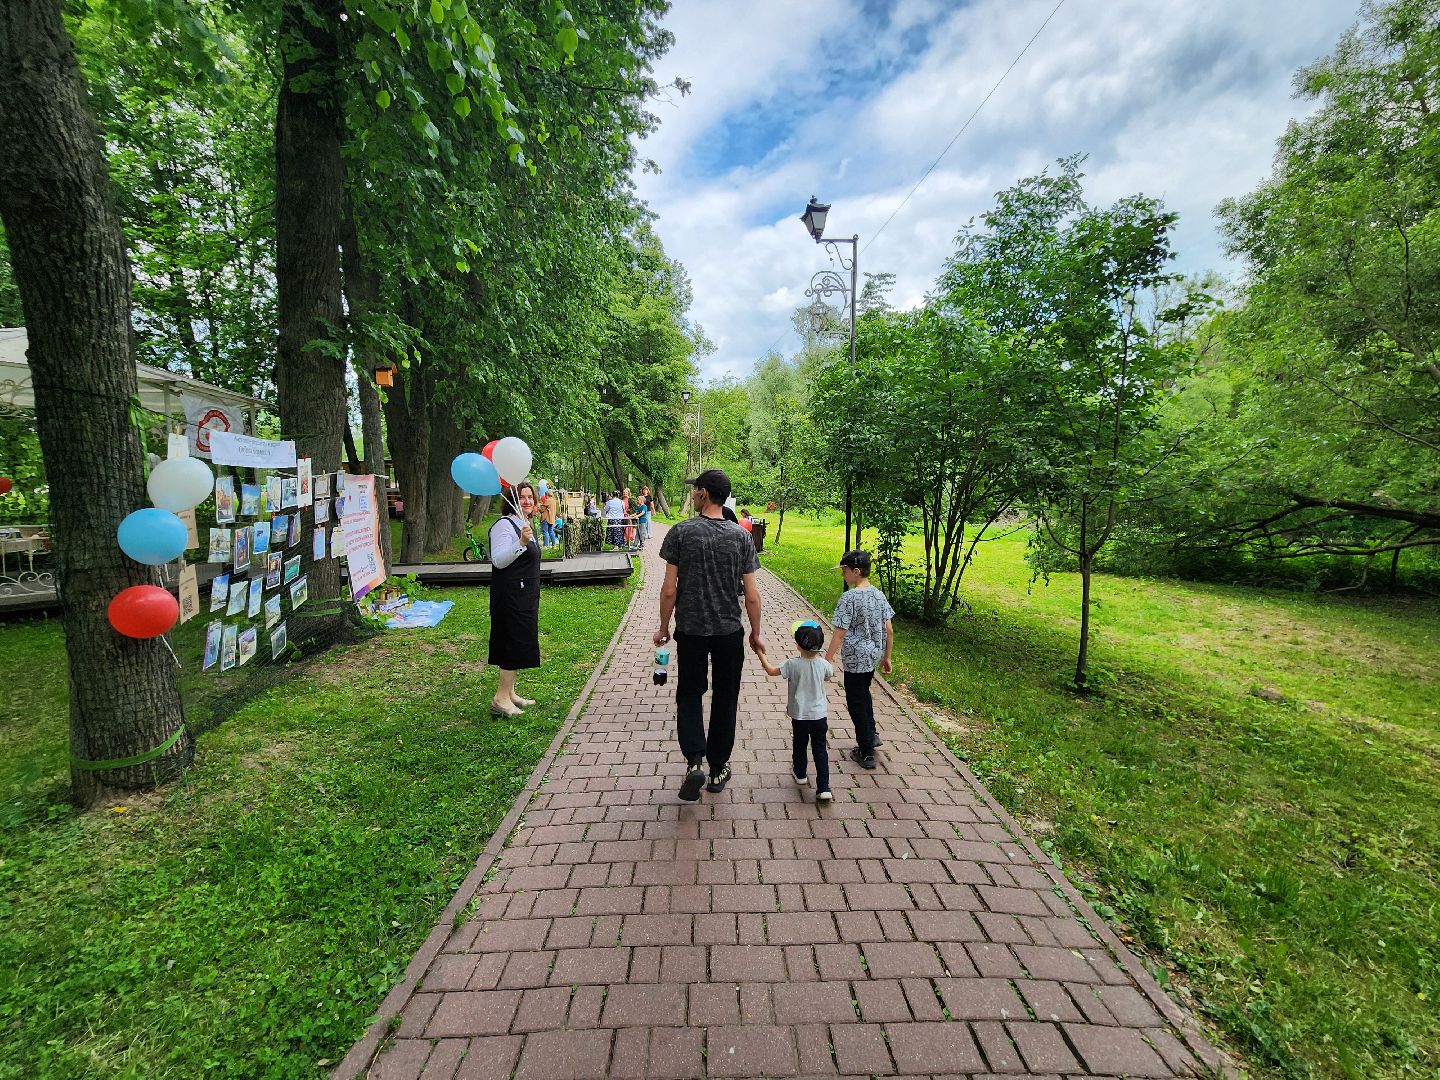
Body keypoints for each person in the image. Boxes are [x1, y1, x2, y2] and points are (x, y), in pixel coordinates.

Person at [654, 469, 765, 801]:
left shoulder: (681, 532)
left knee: (689, 693)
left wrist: (663, 628)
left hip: (690, 630)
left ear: (704, 494)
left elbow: (669, 589)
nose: (692, 494)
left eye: (695, 490)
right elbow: (752, 595)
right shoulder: (741, 537)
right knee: (725, 697)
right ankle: (718, 767)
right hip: (729, 631)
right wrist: (756, 633)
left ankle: (693, 762)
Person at [823, 550, 894, 770]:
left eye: (844, 571)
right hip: (872, 657)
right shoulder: (878, 595)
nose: (842, 575)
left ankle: (865, 752)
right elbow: (889, 630)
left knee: (856, 702)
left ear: (856, 571)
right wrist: (886, 657)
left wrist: (826, 660)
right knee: (864, 694)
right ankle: (871, 734)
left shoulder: (850, 598)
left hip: (855, 659)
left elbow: (840, 632)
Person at [756, 621, 833, 802]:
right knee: (820, 749)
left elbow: (770, 670)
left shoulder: (792, 664)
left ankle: (800, 774)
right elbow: (829, 676)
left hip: (799, 715)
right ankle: (823, 787)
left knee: (799, 744)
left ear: (797, 645)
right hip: (819, 716)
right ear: (820, 647)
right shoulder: (824, 665)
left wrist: (760, 654)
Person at [488, 481, 542, 717]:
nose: (528, 501)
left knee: (520, 641)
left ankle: (510, 693)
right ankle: (500, 698)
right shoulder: (504, 525)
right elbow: (498, 560)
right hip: (510, 597)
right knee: (511, 642)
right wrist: (520, 542)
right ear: (511, 499)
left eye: (531, 497)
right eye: (522, 497)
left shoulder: (524, 523)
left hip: (525, 595)